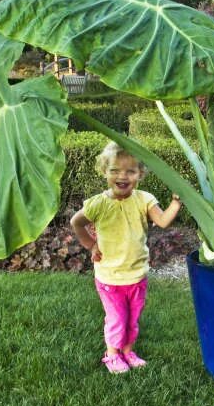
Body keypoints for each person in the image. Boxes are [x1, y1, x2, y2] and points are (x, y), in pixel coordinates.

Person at [70, 141, 181, 374]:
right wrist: (91, 245)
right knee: (117, 319)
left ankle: (128, 352)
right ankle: (112, 355)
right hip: (110, 277)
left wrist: (175, 203)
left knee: (132, 320)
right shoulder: (98, 204)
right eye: (115, 171)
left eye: (130, 171)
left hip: (136, 275)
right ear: (104, 172)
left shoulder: (143, 199)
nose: (122, 176)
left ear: (140, 173)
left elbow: (162, 221)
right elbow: (76, 222)